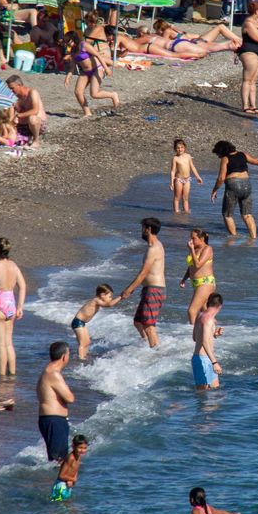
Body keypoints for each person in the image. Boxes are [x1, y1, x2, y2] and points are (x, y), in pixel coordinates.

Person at [120, 218, 167, 347]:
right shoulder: (154, 246)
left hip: (154, 290)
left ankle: (155, 351)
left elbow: (143, 273)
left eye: (143, 228)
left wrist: (129, 290)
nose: (141, 231)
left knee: (148, 325)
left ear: (149, 229)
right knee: (138, 322)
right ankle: (147, 346)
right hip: (149, 289)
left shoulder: (154, 249)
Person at [0, 237, 26, 377]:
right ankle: (12, 374)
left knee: (0, 345)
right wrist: (20, 307)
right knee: (9, 344)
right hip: (11, 304)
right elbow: (23, 286)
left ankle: (1, 376)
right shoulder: (13, 265)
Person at [36, 341, 74, 463]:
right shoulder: (53, 374)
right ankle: (56, 481)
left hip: (51, 419)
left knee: (57, 459)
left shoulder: (47, 371)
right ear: (64, 356)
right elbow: (70, 398)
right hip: (54, 420)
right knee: (59, 461)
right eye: (69, 354)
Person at [69, 284, 119, 360]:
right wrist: (121, 297)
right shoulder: (96, 300)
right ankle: (81, 359)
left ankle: (84, 356)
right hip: (78, 322)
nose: (111, 299)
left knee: (87, 342)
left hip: (82, 323)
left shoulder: (97, 301)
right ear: (102, 295)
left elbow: (108, 303)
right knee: (82, 343)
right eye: (110, 296)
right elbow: (109, 304)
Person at [180, 228, 217, 325]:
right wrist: (184, 279)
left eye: (193, 238)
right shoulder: (194, 249)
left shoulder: (207, 249)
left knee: (192, 311)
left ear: (202, 238)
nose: (191, 241)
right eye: (190, 238)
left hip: (206, 282)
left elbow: (198, 265)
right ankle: (213, 332)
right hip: (196, 284)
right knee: (206, 313)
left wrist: (191, 249)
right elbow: (191, 267)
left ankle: (194, 336)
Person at [190, 292, 224, 390]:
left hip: (205, 358)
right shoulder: (209, 320)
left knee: (216, 393)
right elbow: (204, 342)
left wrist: (214, 334)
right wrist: (215, 363)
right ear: (220, 306)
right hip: (203, 360)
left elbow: (195, 338)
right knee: (203, 395)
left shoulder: (200, 315)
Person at [50, 434, 88, 503]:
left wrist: (73, 481)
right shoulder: (71, 458)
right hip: (61, 485)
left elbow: (75, 470)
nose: (82, 450)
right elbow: (61, 475)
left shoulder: (79, 456)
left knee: (67, 505)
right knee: (62, 507)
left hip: (67, 484)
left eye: (85, 448)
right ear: (73, 446)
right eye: (80, 448)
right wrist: (72, 479)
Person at [169, 139, 202, 215]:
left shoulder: (188, 156)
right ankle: (176, 213)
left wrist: (198, 177)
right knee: (177, 198)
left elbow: (192, 167)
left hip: (187, 179)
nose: (180, 149)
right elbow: (173, 171)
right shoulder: (175, 158)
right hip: (178, 179)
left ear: (184, 148)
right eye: (178, 148)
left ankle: (186, 213)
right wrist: (171, 183)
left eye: (181, 147)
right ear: (175, 149)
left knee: (185, 198)